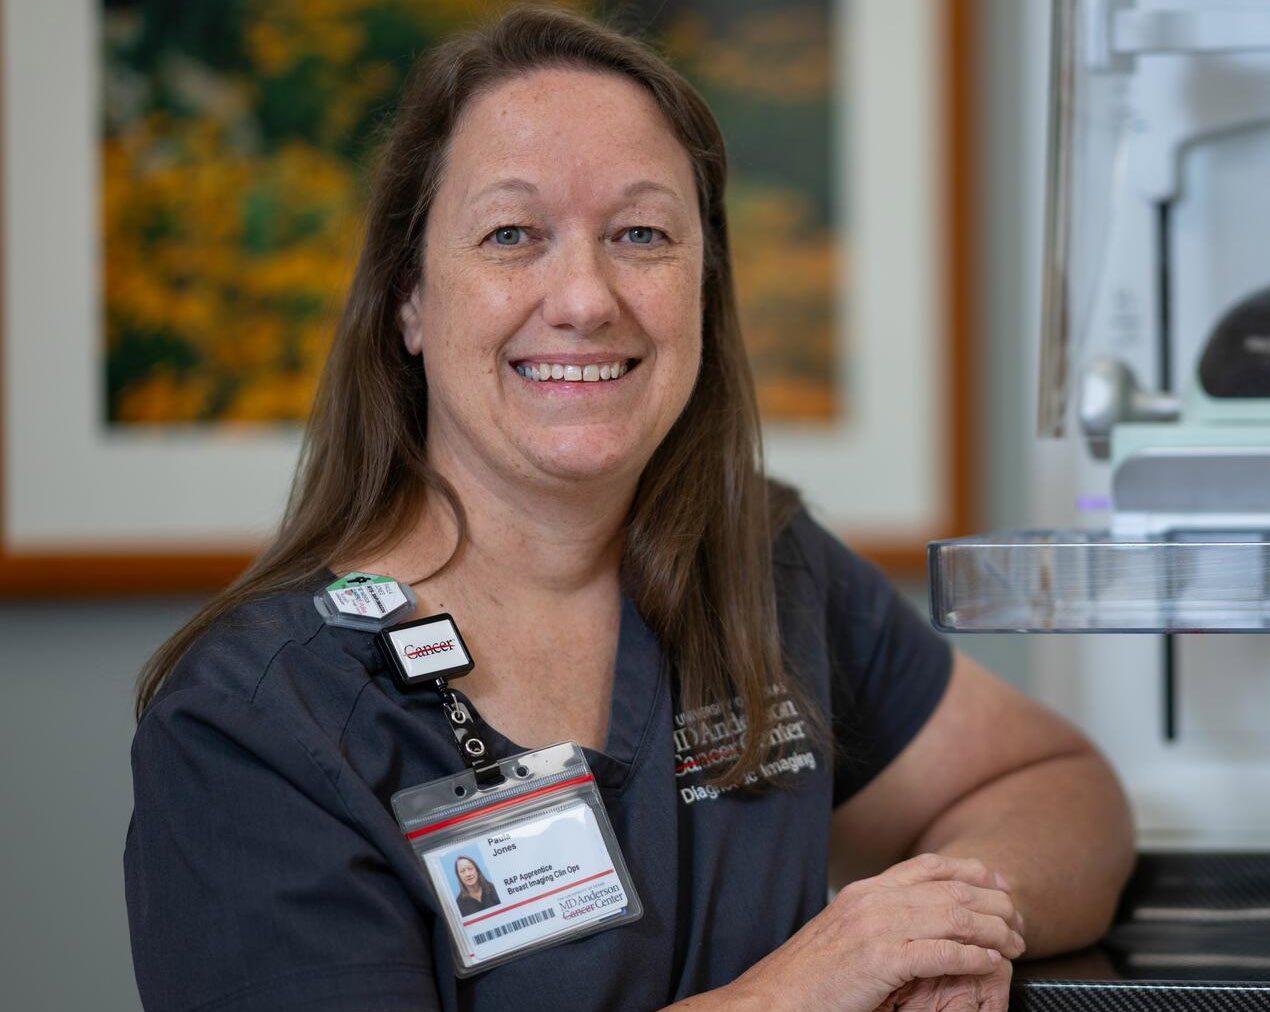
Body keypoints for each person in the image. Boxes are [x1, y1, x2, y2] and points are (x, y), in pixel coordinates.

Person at [123, 6, 1133, 1011]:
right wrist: (801, 991)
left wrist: (945, 924)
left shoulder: (764, 569)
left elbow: (1056, 787)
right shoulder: (253, 722)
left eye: (641, 233)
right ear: (411, 300)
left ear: (703, 285)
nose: (585, 297)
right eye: (512, 233)